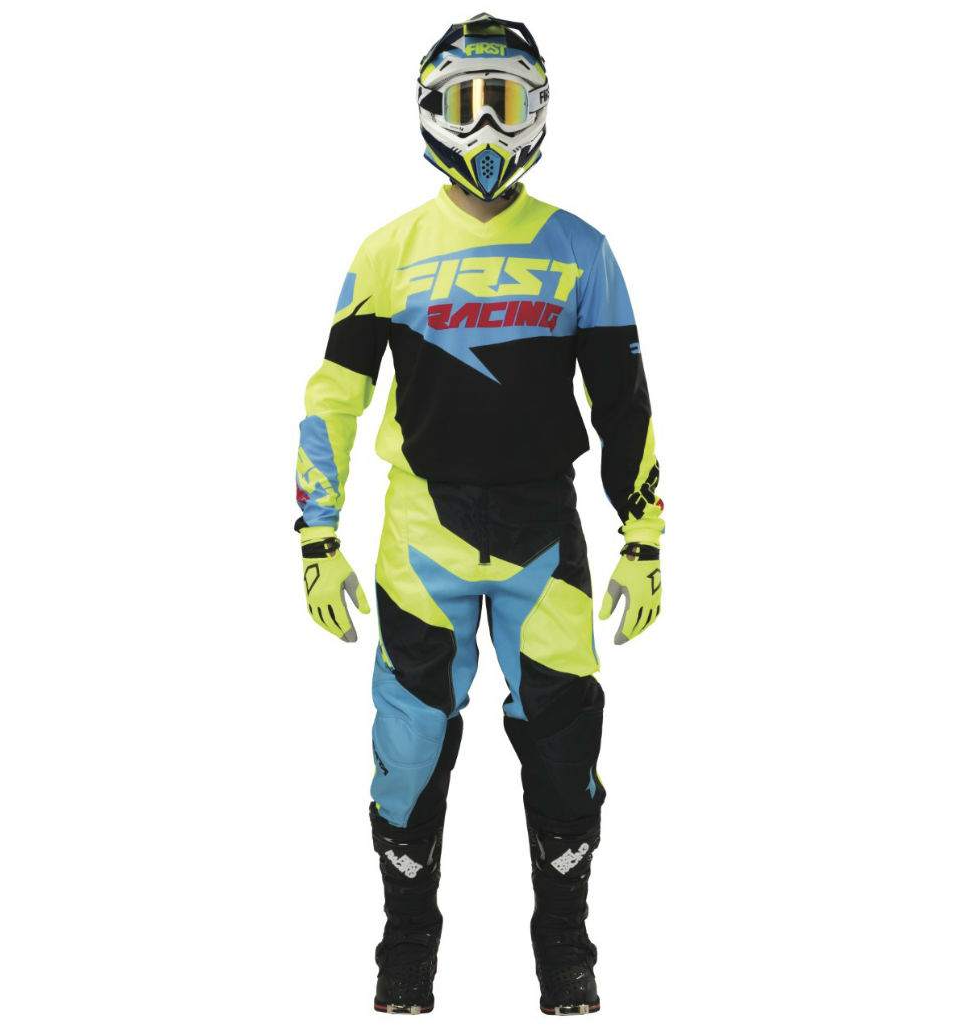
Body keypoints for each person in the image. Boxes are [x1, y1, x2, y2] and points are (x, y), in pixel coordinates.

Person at [294, 12, 664, 1016]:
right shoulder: (388, 249)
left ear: (538, 108)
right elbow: (333, 398)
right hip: (422, 532)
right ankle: (407, 944)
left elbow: (624, 401)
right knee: (409, 749)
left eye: (506, 101)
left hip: (546, 531)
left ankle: (565, 947)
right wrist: (316, 535)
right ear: (431, 110)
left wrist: (644, 535)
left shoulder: (583, 249)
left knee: (565, 748)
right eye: (467, 102)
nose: (488, 125)